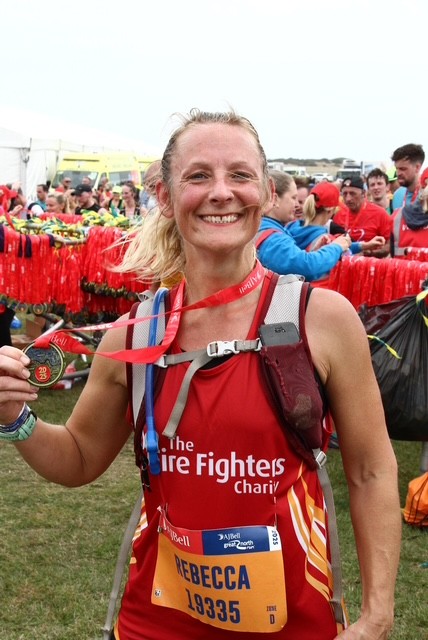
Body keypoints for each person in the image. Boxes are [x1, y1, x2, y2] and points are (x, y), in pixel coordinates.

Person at [0, 109, 401, 640]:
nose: (221, 192)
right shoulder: (134, 333)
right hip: (156, 622)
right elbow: (77, 458)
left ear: (264, 191)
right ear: (165, 198)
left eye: (240, 175)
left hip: (294, 623)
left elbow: (372, 470)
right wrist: (14, 417)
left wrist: (376, 615)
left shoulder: (319, 319)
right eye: (198, 176)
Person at [257, 174, 351, 281]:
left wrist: (314, 252)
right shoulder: (272, 239)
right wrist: (336, 247)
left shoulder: (266, 228)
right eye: (293, 198)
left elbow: (298, 271)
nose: (297, 204)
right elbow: (306, 266)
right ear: (275, 199)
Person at [287, 182, 386, 278]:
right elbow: (338, 249)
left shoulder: (291, 227)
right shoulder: (323, 238)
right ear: (330, 210)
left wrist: (364, 245)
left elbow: (339, 246)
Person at [332, 176, 392, 257]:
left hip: (370, 266)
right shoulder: (338, 215)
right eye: (345, 194)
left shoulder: (380, 214)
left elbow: (389, 245)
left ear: (364, 194)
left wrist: (369, 253)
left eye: (352, 193)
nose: (348, 198)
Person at [391, 143, 425, 210]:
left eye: (403, 169)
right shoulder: (397, 195)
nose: (398, 173)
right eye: (396, 169)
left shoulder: (425, 195)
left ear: (417, 167)